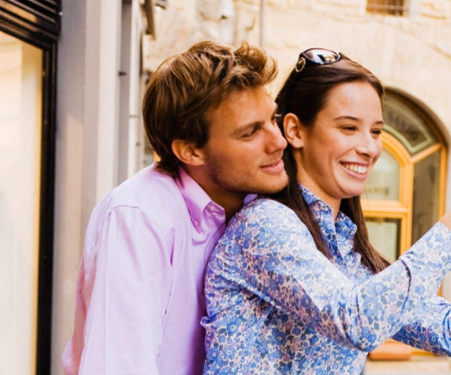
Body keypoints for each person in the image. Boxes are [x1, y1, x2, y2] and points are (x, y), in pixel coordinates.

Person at [203, 48, 451, 374]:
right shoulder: (263, 224)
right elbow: (358, 322)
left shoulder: (346, 251)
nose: (369, 147)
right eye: (348, 127)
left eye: (377, 131)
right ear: (294, 130)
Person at [62, 41, 288, 374]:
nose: (278, 141)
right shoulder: (139, 216)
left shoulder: (260, 209)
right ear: (190, 151)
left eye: (273, 120)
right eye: (251, 132)